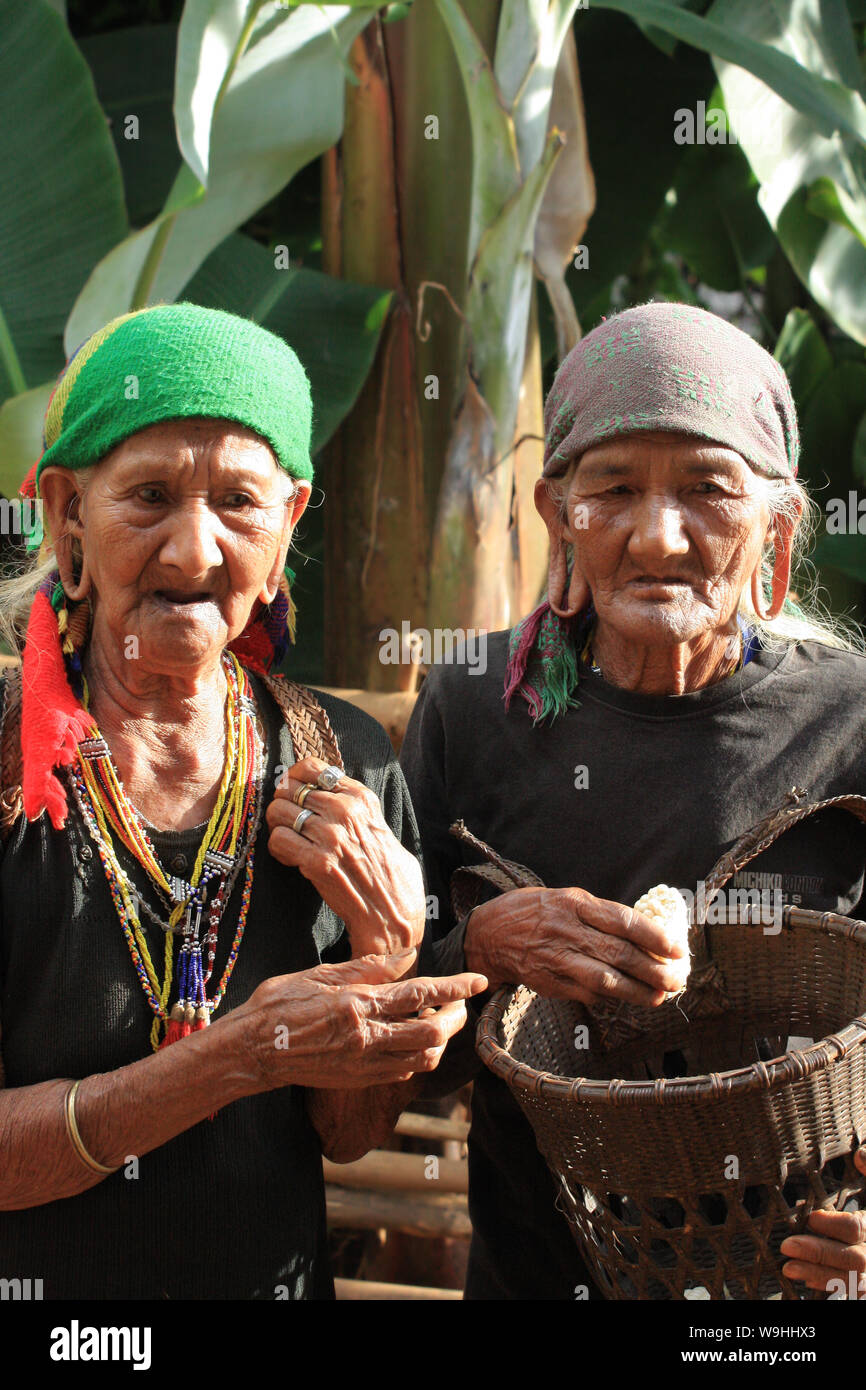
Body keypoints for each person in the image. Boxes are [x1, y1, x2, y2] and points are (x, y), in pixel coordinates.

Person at [0, 302, 485, 1300]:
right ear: (63, 512)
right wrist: (235, 1055)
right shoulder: (10, 762)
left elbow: (344, 1138)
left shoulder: (340, 759)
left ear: (288, 525)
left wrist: (385, 953)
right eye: (147, 497)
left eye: (238, 503)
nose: (192, 552)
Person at [401, 300, 866, 1300]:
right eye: (612, 488)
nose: (657, 536)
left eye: (708, 489)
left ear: (775, 525)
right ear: (554, 513)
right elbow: (399, 1060)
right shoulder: (472, 708)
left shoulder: (850, 721)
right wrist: (476, 950)